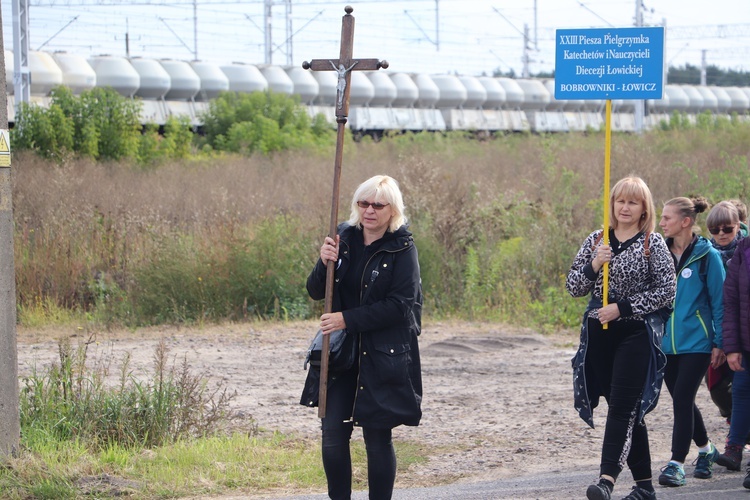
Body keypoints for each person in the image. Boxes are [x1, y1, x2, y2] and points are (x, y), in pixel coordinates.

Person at [300, 174, 423, 500]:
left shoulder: (402, 247)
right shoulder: (343, 236)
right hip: (341, 352)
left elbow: (401, 306)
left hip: (383, 354)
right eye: (363, 203)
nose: (369, 210)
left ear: (392, 209)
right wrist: (324, 261)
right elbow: (315, 291)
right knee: (332, 435)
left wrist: (346, 319)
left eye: (378, 205)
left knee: (377, 438)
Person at [567, 176, 676, 500]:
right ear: (612, 204)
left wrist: (623, 307)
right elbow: (574, 287)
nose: (625, 207)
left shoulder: (651, 243)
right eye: (620, 201)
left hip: (636, 332)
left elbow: (667, 290)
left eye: (633, 202)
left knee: (622, 409)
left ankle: (606, 480)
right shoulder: (596, 240)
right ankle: (644, 487)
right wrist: (594, 264)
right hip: (600, 335)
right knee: (624, 410)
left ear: (644, 209)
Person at [656, 197, 726, 487]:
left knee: (683, 398)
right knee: (682, 399)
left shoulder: (708, 256)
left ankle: (675, 463)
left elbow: (720, 302)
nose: (661, 223)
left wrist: (721, 342)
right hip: (664, 344)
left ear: (685, 222)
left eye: (667, 218)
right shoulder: (658, 252)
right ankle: (707, 450)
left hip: (697, 343)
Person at [716, 216, 750, 490]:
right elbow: (731, 301)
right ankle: (734, 449)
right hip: (746, 344)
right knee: (740, 390)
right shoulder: (744, 249)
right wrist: (733, 347)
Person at [704, 201, 742, 422]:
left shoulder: (745, 253)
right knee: (717, 387)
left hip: (741, 327)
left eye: (727, 228)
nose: (721, 234)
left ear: (737, 226)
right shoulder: (706, 255)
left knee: (741, 385)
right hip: (717, 328)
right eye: (715, 230)